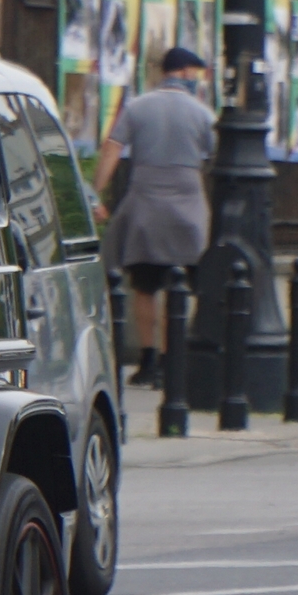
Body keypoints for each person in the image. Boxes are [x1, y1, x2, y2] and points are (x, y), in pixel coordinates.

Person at [93, 47, 217, 388]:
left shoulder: (137, 107)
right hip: (189, 208)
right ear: (187, 74)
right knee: (191, 284)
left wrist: (95, 194)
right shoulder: (203, 114)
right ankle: (174, 356)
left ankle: (148, 358)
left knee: (145, 286)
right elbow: (217, 155)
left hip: (145, 205)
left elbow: (112, 149)